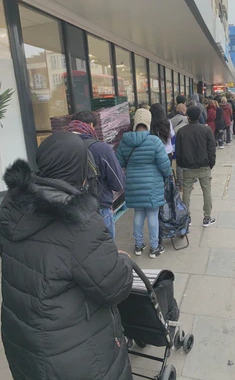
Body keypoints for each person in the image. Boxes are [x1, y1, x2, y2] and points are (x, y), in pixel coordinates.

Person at [0, 132, 133, 380]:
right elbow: (113, 287)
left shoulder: (12, 206)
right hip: (72, 351)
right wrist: (123, 260)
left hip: (22, 339)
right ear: (79, 167)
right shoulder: (80, 222)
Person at [116, 109, 171, 258]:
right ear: (148, 122)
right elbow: (165, 165)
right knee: (152, 214)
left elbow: (119, 162)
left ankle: (138, 246)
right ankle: (154, 248)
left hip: (133, 183)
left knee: (138, 213)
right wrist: (168, 175)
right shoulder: (154, 141)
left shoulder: (125, 141)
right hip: (152, 184)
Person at [66, 111, 125, 240]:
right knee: (105, 254)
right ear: (91, 126)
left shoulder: (59, 148)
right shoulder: (101, 149)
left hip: (69, 211)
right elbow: (118, 183)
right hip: (99, 209)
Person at [176, 106, 216, 227]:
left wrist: (182, 164)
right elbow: (211, 149)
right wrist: (211, 163)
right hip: (204, 166)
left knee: (186, 193)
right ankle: (207, 217)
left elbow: (179, 151)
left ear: (187, 117)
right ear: (199, 116)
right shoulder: (206, 130)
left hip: (188, 167)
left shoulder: (181, 131)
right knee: (207, 192)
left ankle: (187, 217)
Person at [171, 104, 189, 191]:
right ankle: (185, 183)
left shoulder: (170, 120)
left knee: (178, 164)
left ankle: (179, 184)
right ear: (184, 111)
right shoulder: (186, 120)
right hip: (185, 144)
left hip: (174, 145)